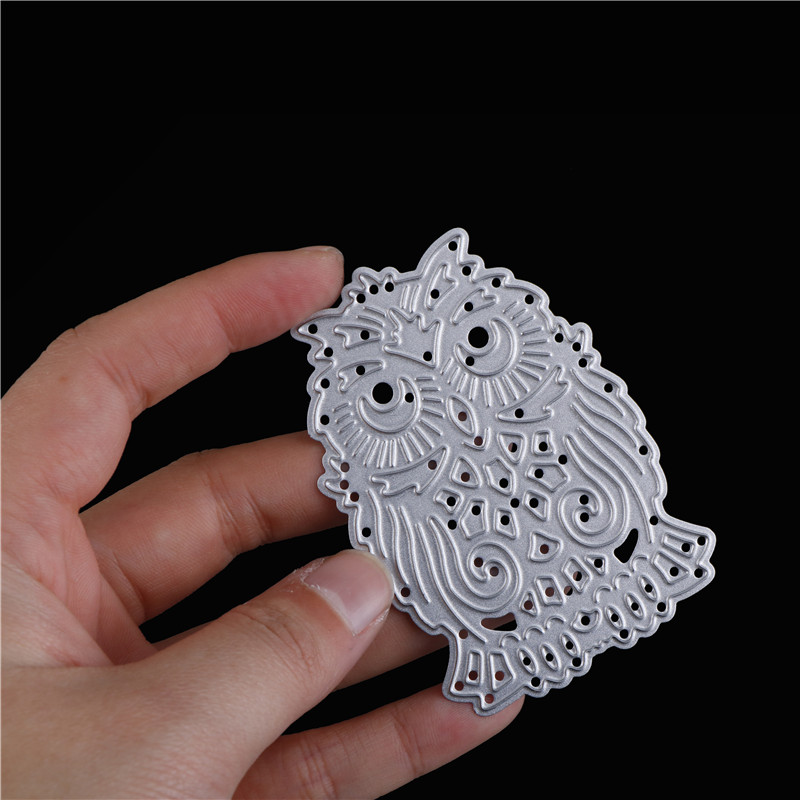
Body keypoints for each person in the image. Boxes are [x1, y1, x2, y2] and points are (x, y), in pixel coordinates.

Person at [1, 246, 522, 799]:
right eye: (384, 394)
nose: (457, 415)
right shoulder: (396, 499)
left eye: (477, 342)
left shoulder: (548, 418)